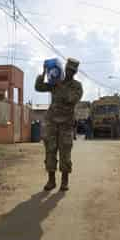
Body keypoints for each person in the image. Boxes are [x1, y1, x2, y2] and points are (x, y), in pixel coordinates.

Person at [35, 58, 83, 191]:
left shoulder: (76, 86)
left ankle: (64, 181)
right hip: (52, 122)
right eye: (68, 69)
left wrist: (60, 86)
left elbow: (71, 99)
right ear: (64, 68)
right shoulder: (55, 81)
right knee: (50, 150)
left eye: (72, 71)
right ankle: (51, 181)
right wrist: (44, 72)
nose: (69, 72)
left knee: (65, 152)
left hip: (66, 124)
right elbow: (38, 87)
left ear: (75, 72)